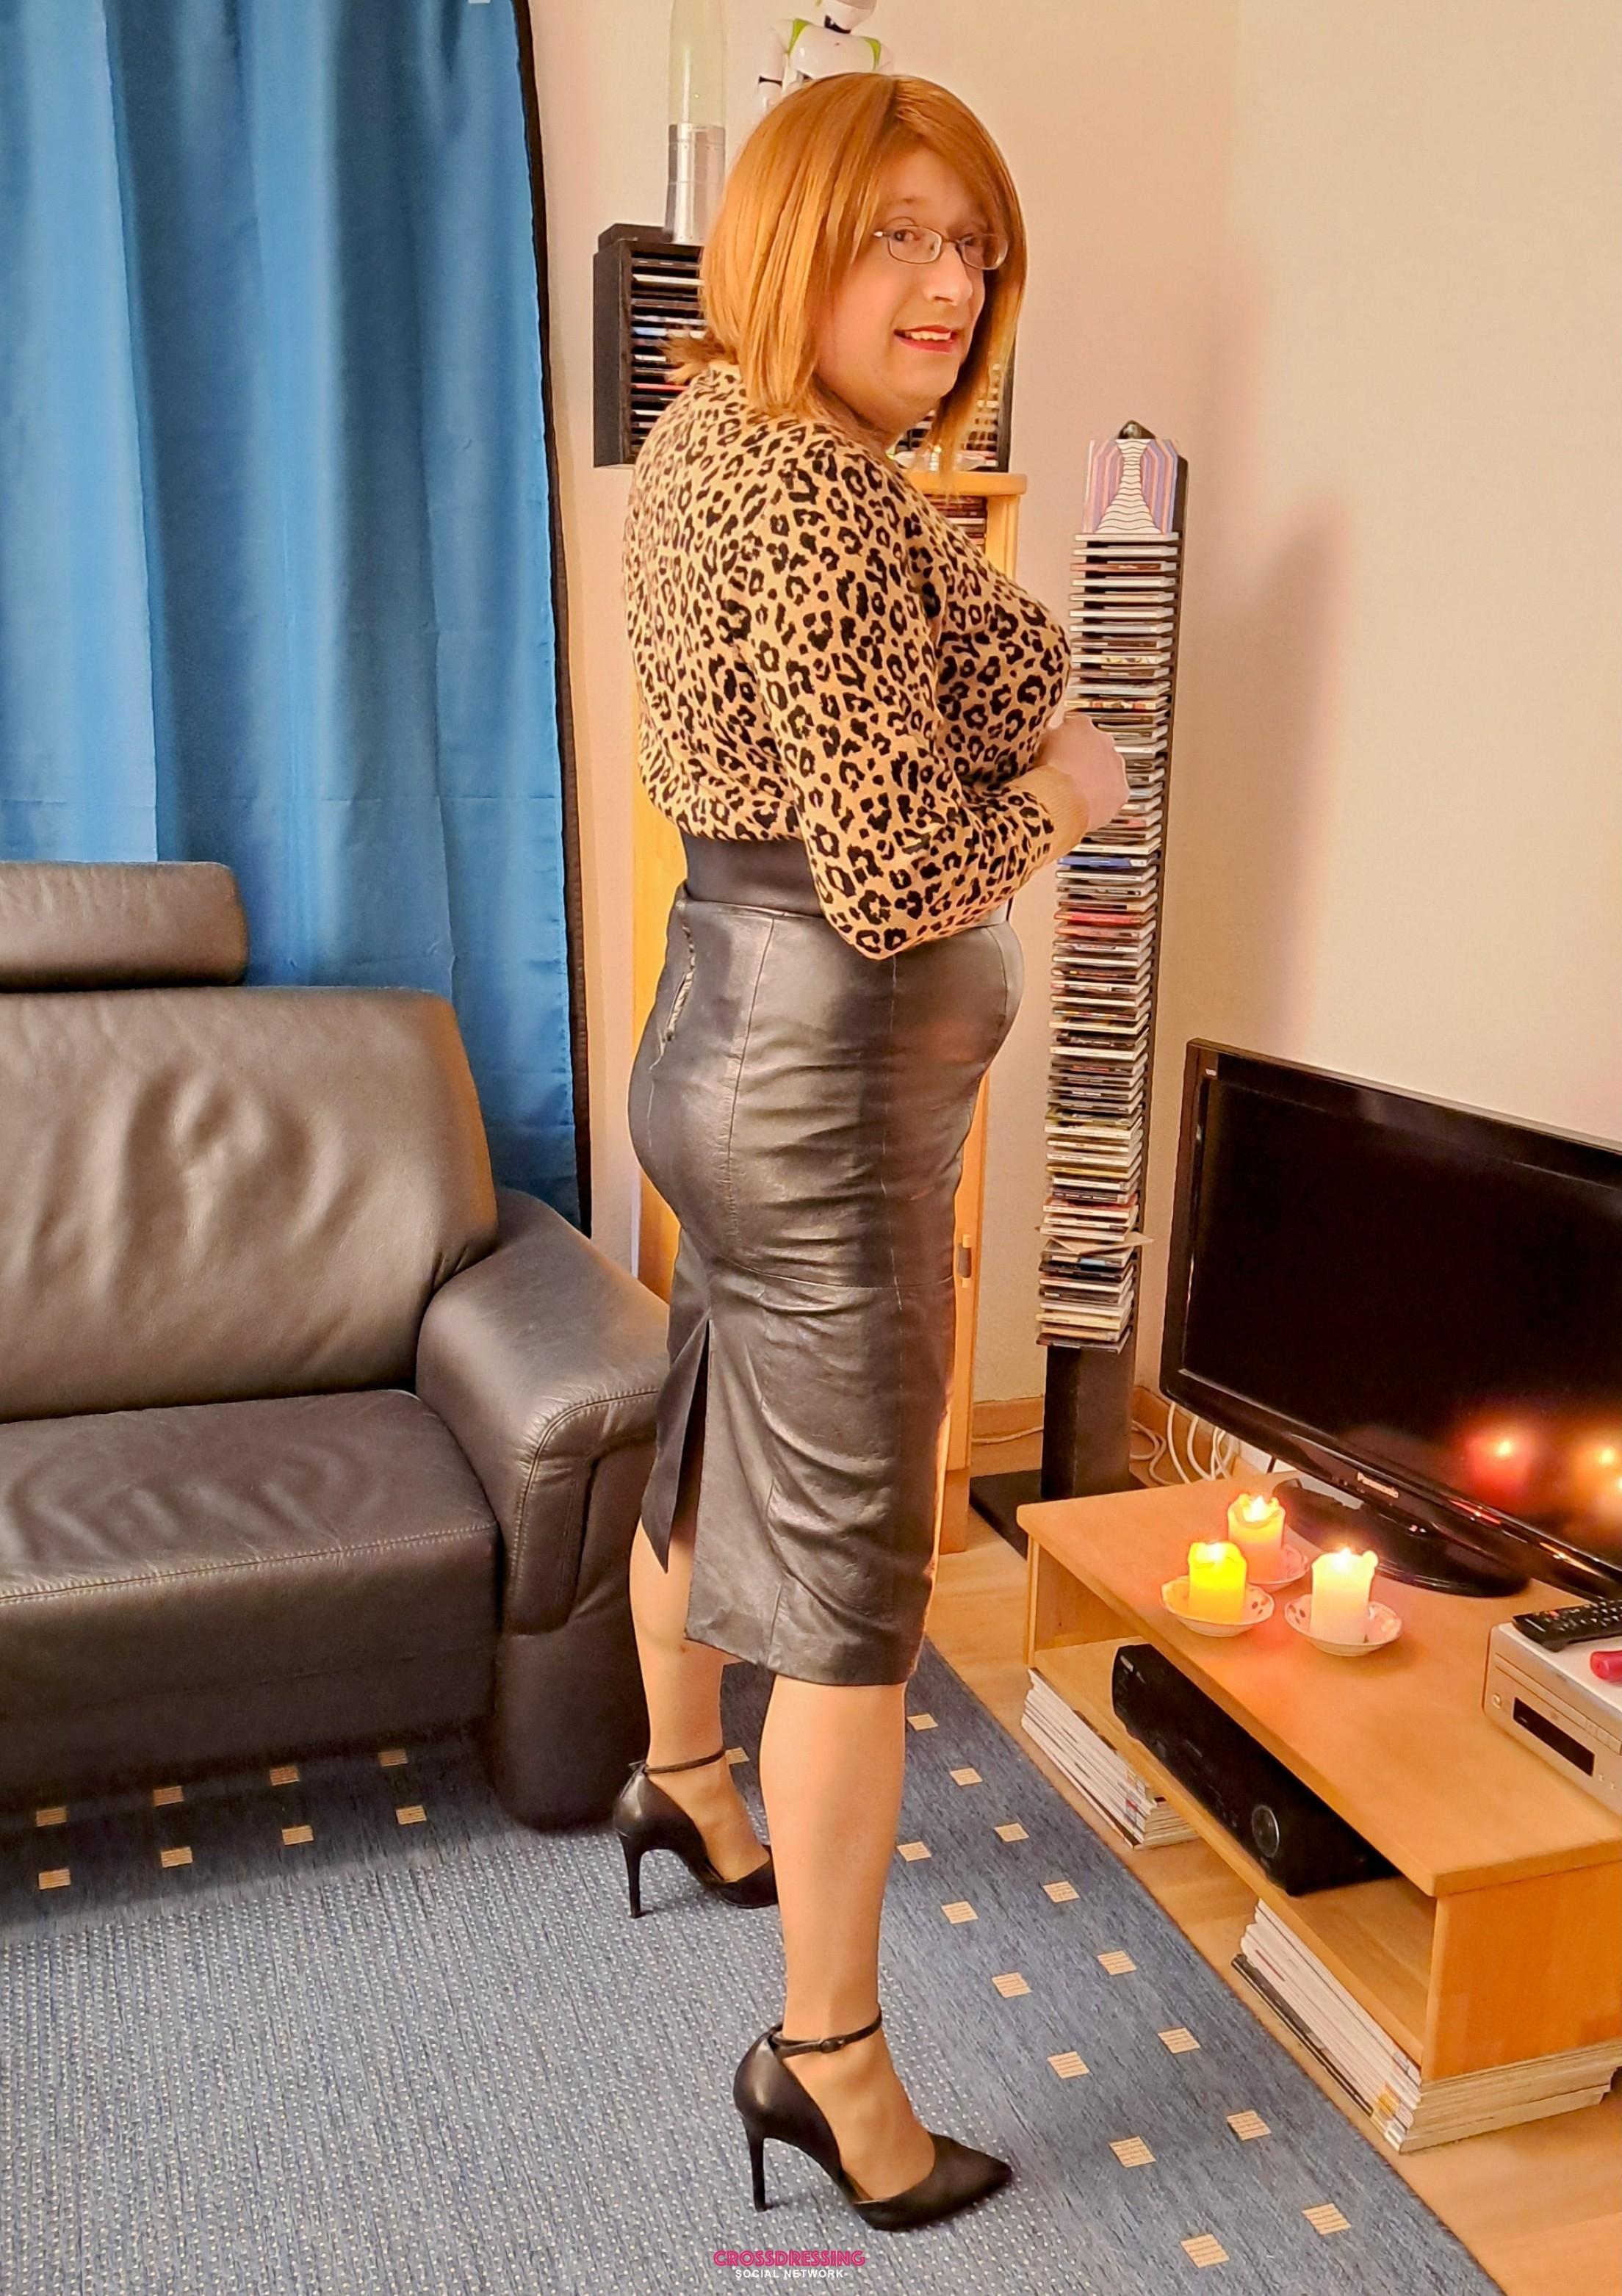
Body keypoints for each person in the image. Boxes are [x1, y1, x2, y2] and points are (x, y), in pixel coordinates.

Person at [615, 71, 1128, 2234]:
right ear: (794, 235)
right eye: (899, 234)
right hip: (822, 1094)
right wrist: (1071, 796)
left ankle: (684, 1780)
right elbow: (910, 868)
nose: (948, 285)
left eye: (973, 247)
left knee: (705, 1424)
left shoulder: (719, 438)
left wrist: (1010, 672)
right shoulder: (825, 503)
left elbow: (979, 660)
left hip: (725, 1040)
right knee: (856, 1601)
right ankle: (828, 2063)